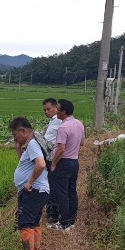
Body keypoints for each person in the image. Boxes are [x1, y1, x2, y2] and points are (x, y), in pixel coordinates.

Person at [8, 117, 50, 250]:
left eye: (15, 135)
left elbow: (40, 164)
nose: (15, 138)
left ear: (22, 131)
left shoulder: (32, 144)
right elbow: (26, 165)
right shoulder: (33, 144)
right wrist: (18, 150)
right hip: (40, 191)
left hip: (34, 191)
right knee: (34, 224)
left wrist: (29, 182)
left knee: (25, 224)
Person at [49, 99, 85, 231]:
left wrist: (53, 164)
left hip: (63, 163)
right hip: (74, 162)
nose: (56, 112)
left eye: (58, 110)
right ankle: (71, 220)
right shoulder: (79, 124)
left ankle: (63, 223)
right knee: (71, 191)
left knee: (61, 193)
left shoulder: (63, 128)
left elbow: (61, 149)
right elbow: (82, 143)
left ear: (63, 112)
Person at [42, 98, 62, 224]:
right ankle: (51, 211)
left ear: (56, 108)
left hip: (53, 158)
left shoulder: (59, 121)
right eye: (44, 110)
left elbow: (53, 143)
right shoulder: (52, 121)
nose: (46, 112)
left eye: (48, 109)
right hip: (50, 157)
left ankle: (54, 214)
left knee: (53, 186)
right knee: (50, 185)